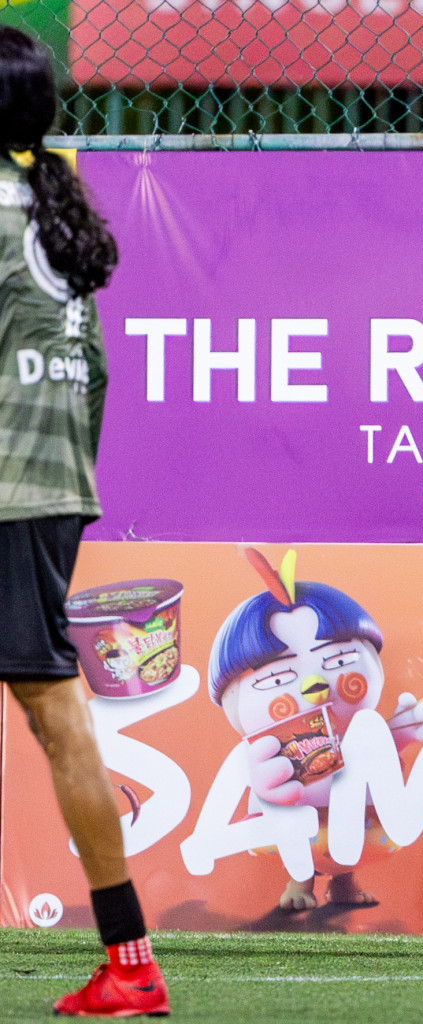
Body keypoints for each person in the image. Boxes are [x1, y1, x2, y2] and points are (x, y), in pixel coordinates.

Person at [0, 26, 171, 1018]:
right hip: (53, 486)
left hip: (10, 495)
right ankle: (129, 958)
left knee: (59, 720)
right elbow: (95, 377)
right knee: (54, 716)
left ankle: (132, 959)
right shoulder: (53, 212)